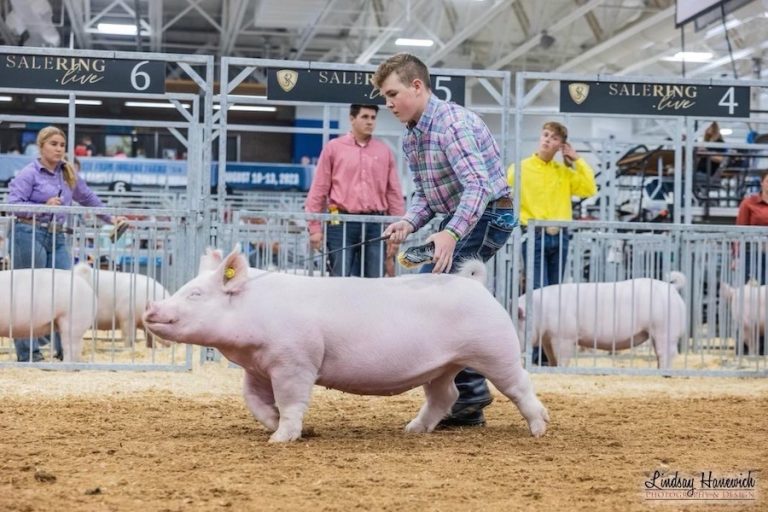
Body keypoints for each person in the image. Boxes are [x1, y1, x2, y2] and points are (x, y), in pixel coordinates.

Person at [374, 53, 516, 428]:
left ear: (417, 87)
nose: (387, 104)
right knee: (431, 294)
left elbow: (478, 185)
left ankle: (468, 394)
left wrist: (451, 233)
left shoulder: (452, 124)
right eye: (385, 97)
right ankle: (465, 398)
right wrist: (407, 222)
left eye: (393, 94)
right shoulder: (413, 135)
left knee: (440, 298)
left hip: (490, 214)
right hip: (464, 215)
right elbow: (425, 194)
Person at [7, 126, 123, 362]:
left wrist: (112, 218)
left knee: (66, 291)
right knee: (29, 293)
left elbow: (88, 198)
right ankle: (29, 354)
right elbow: (12, 204)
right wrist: (43, 205)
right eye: (54, 144)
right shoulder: (29, 173)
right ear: (41, 147)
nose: (59, 149)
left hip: (58, 235)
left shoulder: (68, 173)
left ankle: (65, 352)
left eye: (62, 145)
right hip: (28, 233)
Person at [508, 122, 596, 366]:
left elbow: (589, 188)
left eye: (554, 138)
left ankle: (550, 354)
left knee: (556, 295)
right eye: (545, 135)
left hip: (560, 235)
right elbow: (505, 197)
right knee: (537, 293)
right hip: (532, 235)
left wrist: (577, 160)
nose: (547, 140)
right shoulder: (520, 169)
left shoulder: (564, 172)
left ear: (561, 146)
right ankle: (535, 352)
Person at [305, 104, 405, 277]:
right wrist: (314, 228)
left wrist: (396, 230)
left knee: (375, 280)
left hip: (376, 224)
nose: (370, 122)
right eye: (365, 117)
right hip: (340, 222)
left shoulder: (383, 151)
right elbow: (319, 188)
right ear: (352, 119)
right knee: (340, 278)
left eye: (373, 118)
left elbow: (393, 192)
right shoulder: (334, 148)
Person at [735, 171, 768, 285]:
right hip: (753, 254)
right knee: (754, 290)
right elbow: (739, 230)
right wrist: (736, 256)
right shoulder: (748, 203)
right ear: (762, 183)